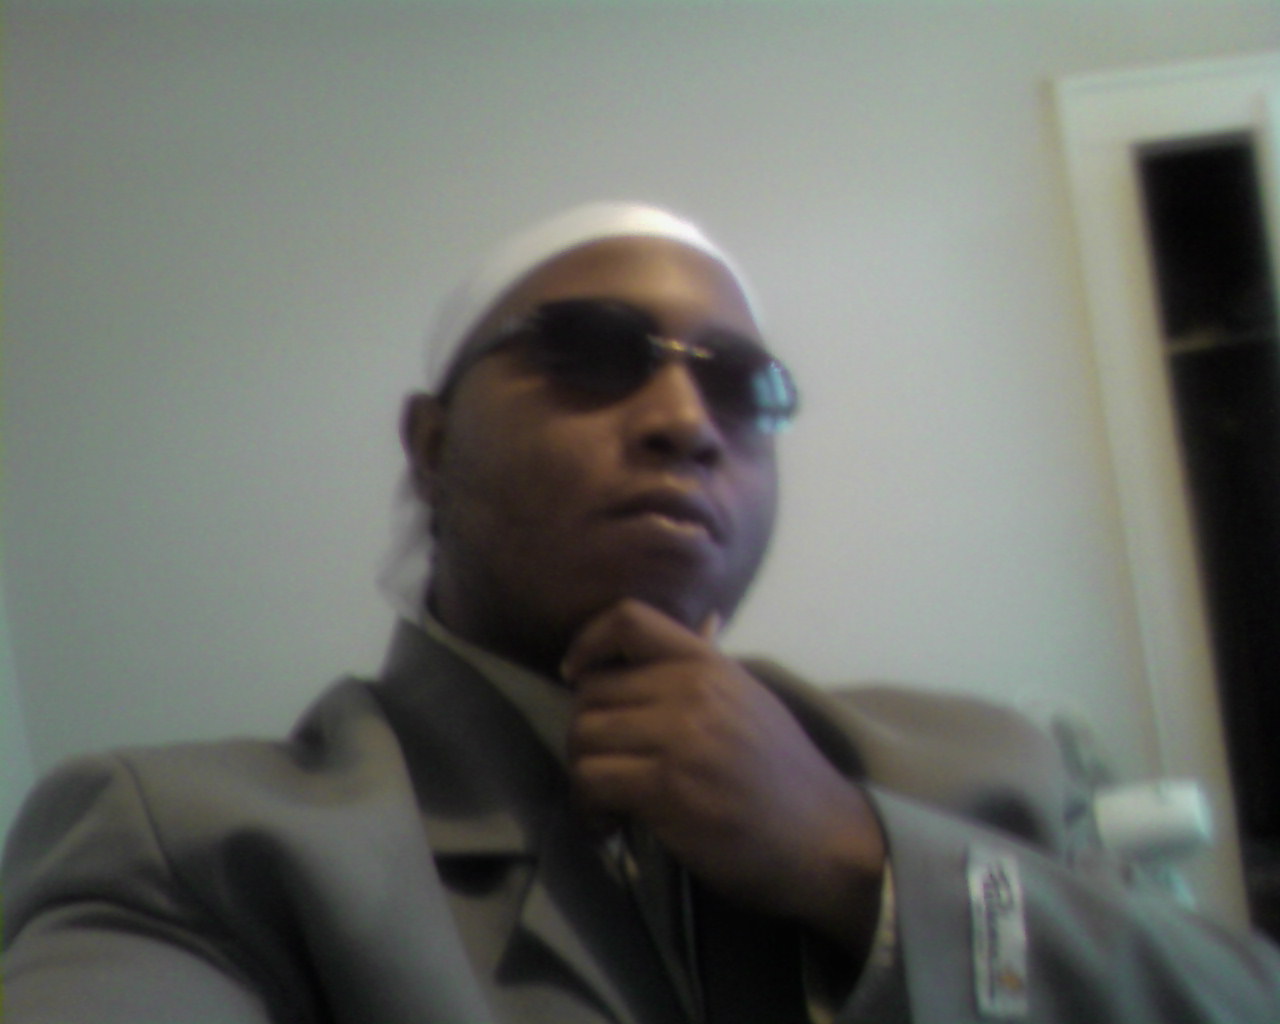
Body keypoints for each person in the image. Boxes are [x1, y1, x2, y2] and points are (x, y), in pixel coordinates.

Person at [3, 201, 1278, 1024]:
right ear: (431, 442)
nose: (681, 420)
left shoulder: (983, 772)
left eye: (740, 386)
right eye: (587, 352)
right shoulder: (197, 852)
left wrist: (857, 863)